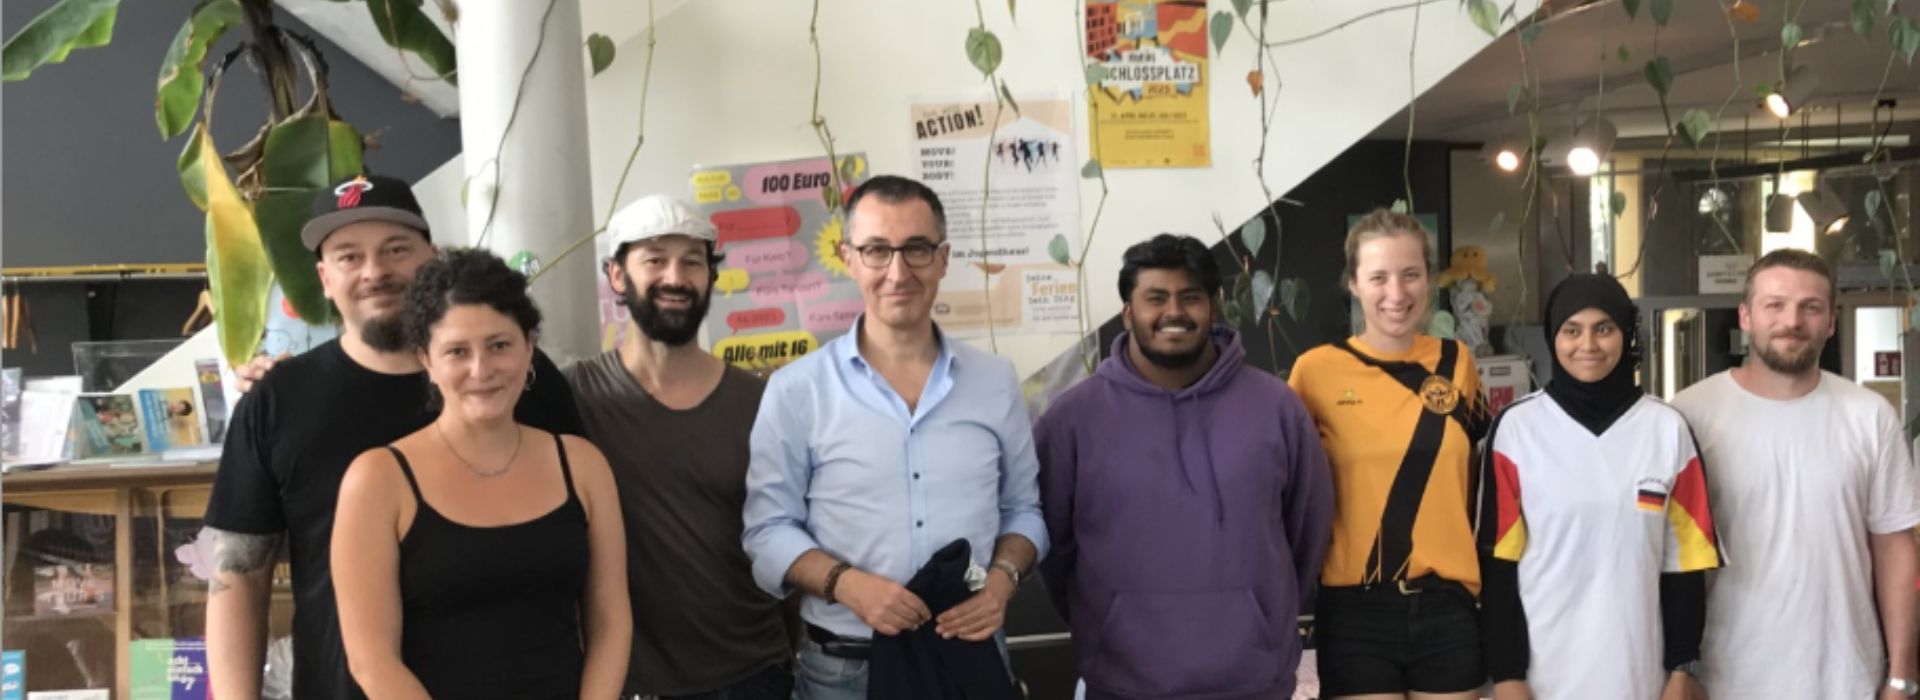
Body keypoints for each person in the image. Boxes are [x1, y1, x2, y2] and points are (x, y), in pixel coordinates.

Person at [203, 174, 585, 700]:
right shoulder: (276, 401)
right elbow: (238, 574)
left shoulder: (520, 380)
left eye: (396, 249)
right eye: (349, 256)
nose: (375, 271)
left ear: (432, 258)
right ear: (323, 278)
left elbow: (581, 543)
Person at [741, 175, 1047, 698]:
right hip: (846, 673)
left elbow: (1023, 511)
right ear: (848, 258)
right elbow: (767, 530)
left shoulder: (995, 381)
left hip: (971, 657)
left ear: (943, 259)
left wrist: (1002, 581)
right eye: (877, 250)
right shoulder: (797, 390)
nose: (898, 272)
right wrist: (847, 585)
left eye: (917, 249)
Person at [1035, 233, 1333, 699]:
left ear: (1213, 307)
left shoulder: (1276, 408)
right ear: (1128, 312)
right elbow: (1053, 551)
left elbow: (1306, 533)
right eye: (1156, 298)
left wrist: (1257, 612)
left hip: (1254, 683)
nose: (1173, 312)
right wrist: (1108, 620)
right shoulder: (1071, 420)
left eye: (1190, 297)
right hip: (1121, 685)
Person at [330, 248, 628, 699]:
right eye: (457, 351)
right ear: (427, 360)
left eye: (499, 345)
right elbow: (371, 660)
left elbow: (611, 623)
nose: (481, 370)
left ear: (529, 347)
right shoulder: (378, 479)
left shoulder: (582, 465)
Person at [564, 194, 795, 699]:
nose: (675, 277)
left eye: (692, 262)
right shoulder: (572, 396)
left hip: (752, 673)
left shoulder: (762, 402)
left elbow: (791, 537)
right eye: (654, 260)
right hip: (628, 681)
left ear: (711, 276)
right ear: (617, 275)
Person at [1670, 248, 1920, 699]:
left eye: (1811, 307)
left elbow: (1894, 547)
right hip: (1722, 680)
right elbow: (1665, 556)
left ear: (1831, 322)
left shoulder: (1869, 416)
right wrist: (1677, 672)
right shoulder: (1687, 416)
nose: (1792, 320)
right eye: (1775, 305)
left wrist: (1901, 676)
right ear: (1746, 316)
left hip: (1845, 679)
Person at [1476, 273, 1721, 700]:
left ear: (1626, 335)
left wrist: (1682, 669)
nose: (1587, 344)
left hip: (1641, 677)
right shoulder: (1517, 430)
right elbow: (1498, 568)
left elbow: (1685, 567)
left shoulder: (1667, 429)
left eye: (1603, 329)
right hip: (1541, 679)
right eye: (1572, 330)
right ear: (1553, 337)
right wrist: (1507, 675)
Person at [1287, 209, 1490, 700]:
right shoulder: (1314, 372)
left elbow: (1485, 477)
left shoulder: (1457, 363)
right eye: (1378, 277)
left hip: (1448, 605)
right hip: (1354, 612)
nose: (1396, 293)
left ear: (1429, 280)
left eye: (1410, 274)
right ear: (1353, 284)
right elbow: (1288, 488)